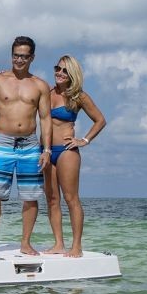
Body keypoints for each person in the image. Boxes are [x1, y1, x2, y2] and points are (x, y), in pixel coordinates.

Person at [0, 36, 52, 256]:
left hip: (30, 144)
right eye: (16, 56)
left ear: (32, 58)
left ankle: (25, 243)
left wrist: (47, 149)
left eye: (24, 57)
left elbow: (45, 118)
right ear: (11, 55)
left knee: (30, 195)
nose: (19, 60)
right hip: (3, 142)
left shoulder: (40, 85)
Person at [42, 54, 106, 258]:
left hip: (66, 151)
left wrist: (84, 140)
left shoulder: (79, 96)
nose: (60, 73)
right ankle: (58, 244)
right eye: (57, 68)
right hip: (46, 151)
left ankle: (76, 246)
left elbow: (100, 120)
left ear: (72, 75)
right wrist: (7, 75)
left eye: (65, 71)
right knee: (52, 199)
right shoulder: (45, 92)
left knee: (71, 199)